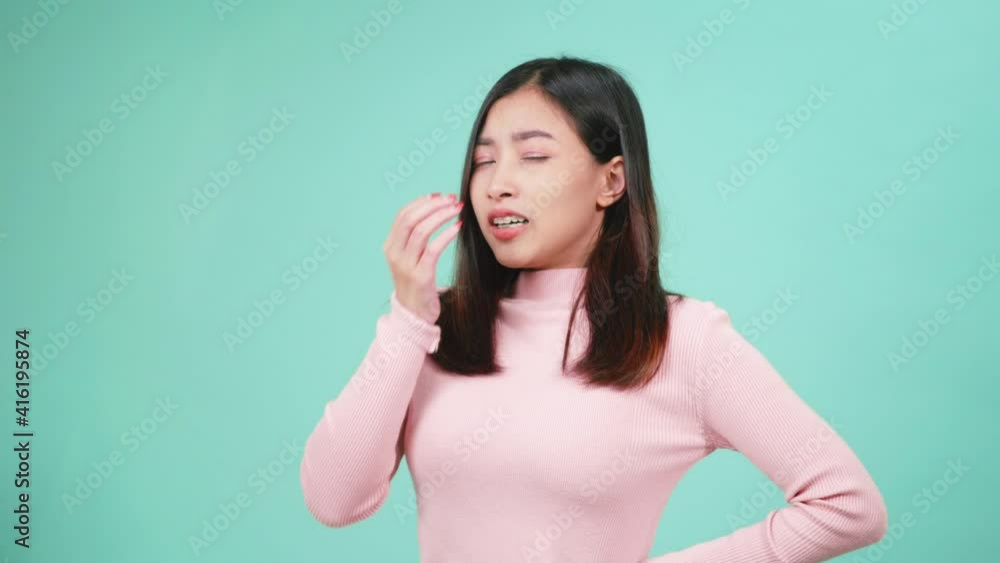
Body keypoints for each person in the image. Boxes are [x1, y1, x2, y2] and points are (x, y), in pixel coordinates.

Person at [299, 56, 888, 562]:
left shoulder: (683, 339)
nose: (498, 184)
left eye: (533, 157)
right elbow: (334, 499)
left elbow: (848, 505)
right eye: (484, 161)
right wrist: (406, 320)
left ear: (612, 181)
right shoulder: (435, 327)